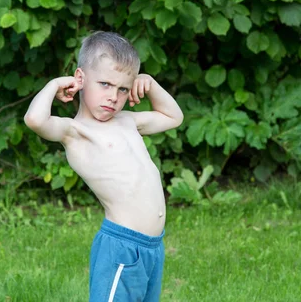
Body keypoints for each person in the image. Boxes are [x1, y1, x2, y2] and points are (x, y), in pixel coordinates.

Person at [24, 31, 184, 301]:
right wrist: (54, 85)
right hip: (121, 246)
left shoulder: (128, 120)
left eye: (123, 89)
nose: (114, 96)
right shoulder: (76, 132)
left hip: (151, 248)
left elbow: (174, 116)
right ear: (81, 79)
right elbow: (35, 120)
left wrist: (151, 84)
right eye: (105, 84)